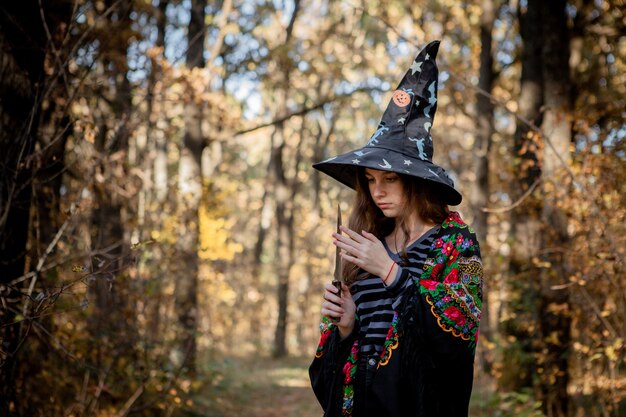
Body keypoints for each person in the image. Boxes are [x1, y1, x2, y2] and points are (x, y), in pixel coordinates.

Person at [309, 40, 483, 417]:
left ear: (416, 180)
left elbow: (458, 335)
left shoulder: (456, 245)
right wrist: (346, 323)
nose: (377, 191)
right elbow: (335, 366)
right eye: (370, 179)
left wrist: (389, 271)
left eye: (389, 179)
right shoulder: (367, 245)